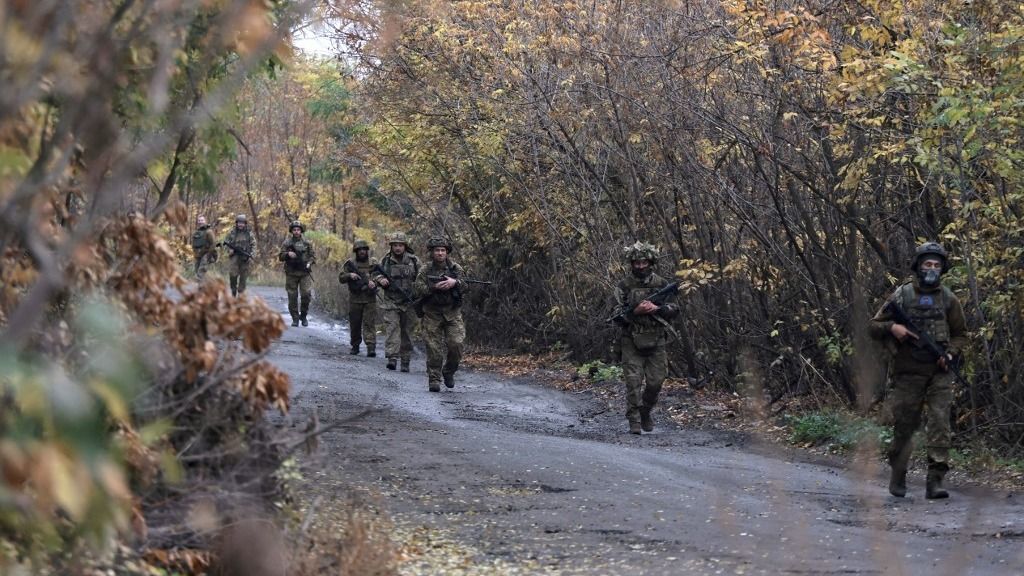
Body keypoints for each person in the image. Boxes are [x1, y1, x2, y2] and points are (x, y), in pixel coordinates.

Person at [870, 241, 968, 499]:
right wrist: (892, 328)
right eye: (928, 264)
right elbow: (873, 326)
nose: (932, 268)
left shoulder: (948, 298)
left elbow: (960, 334)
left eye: (937, 264)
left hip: (939, 373)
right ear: (919, 266)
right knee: (905, 426)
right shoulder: (902, 296)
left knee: (939, 423)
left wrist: (949, 354)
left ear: (942, 268)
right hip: (907, 374)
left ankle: (935, 481)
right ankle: (898, 474)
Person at [613, 242, 679, 435]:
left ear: (651, 262)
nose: (640, 266)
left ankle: (645, 411)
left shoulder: (662, 285)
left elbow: (675, 309)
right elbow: (615, 314)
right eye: (636, 263)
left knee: (656, 382)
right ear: (631, 264)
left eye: (644, 262)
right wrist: (635, 311)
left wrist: (658, 309)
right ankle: (633, 420)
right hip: (631, 340)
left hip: (657, 339)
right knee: (633, 382)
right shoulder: (623, 286)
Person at [414, 237, 467, 392]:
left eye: (443, 250)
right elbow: (417, 288)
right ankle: (434, 379)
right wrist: (433, 287)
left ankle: (449, 371)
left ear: (447, 252)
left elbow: (466, 285)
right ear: (432, 252)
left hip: (452, 312)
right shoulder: (425, 269)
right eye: (437, 250)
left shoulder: (455, 268)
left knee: (456, 345)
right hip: (432, 313)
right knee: (434, 349)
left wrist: (454, 283)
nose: (440, 253)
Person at [371, 232, 420, 372]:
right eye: (395, 245)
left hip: (409, 302)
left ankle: (405, 360)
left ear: (405, 246)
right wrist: (380, 279)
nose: (398, 248)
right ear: (391, 246)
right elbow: (374, 273)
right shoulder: (385, 261)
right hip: (391, 301)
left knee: (407, 332)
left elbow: (422, 277)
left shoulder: (414, 261)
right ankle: (392, 358)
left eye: (400, 245)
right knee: (392, 329)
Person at [339, 239, 379, 356]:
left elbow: (380, 275)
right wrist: (349, 275)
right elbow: (341, 278)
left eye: (364, 249)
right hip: (355, 298)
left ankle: (371, 347)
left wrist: (374, 282)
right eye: (359, 250)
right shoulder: (350, 263)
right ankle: (355, 345)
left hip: (370, 298)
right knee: (355, 323)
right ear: (356, 251)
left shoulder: (373, 262)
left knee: (369, 323)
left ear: (367, 251)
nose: (362, 252)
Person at [279, 220, 316, 327]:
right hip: (291, 273)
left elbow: (313, 256)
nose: (296, 232)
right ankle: (295, 318)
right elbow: (280, 256)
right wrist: (287, 254)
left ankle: (303, 316)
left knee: (306, 295)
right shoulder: (287, 243)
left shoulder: (307, 243)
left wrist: (309, 263)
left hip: (304, 273)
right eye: (294, 230)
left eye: (298, 230)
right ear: (292, 231)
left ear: (301, 231)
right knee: (292, 296)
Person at [222, 214, 255, 297]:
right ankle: (233, 291)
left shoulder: (249, 233)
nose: (240, 224)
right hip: (234, 257)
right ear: (236, 223)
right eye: (239, 223)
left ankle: (241, 294)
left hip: (245, 258)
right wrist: (229, 251)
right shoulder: (232, 233)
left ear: (245, 224)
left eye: (242, 223)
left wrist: (252, 254)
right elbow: (225, 244)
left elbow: (254, 244)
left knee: (243, 277)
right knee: (233, 275)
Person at [191, 215, 216, 281]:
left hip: (206, 253)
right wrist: (195, 253)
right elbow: (194, 244)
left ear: (205, 221)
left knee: (201, 270)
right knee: (197, 270)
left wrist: (209, 254)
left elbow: (213, 243)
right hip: (198, 254)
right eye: (199, 220)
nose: (200, 222)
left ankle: (198, 285)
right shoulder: (196, 232)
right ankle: (203, 286)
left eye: (202, 220)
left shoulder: (209, 231)